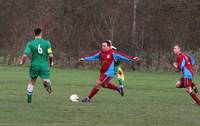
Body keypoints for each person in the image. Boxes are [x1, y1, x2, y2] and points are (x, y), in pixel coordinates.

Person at [19, 28, 54, 103]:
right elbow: (51, 55)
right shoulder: (47, 43)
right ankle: (46, 82)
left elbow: (25, 55)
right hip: (44, 66)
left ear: (34, 34)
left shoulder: (30, 43)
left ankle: (29, 100)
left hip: (34, 65)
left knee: (32, 82)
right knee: (46, 80)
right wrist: (51, 63)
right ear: (41, 33)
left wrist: (22, 62)